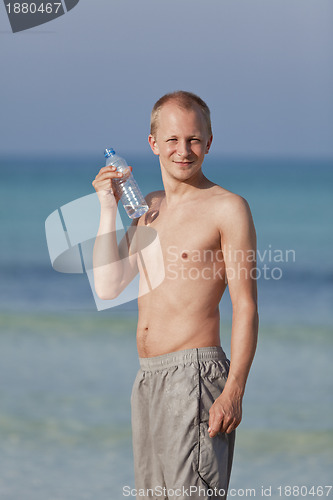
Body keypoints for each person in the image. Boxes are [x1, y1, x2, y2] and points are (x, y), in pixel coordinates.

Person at [92, 91, 258, 500]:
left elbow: (246, 306)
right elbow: (108, 286)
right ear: (153, 144)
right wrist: (106, 209)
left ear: (209, 142)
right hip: (148, 379)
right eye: (172, 140)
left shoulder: (228, 208)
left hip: (196, 378)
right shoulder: (148, 207)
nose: (184, 151)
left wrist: (234, 390)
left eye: (194, 139)